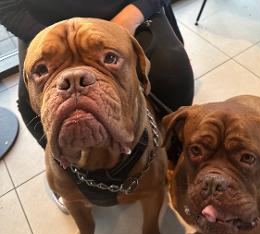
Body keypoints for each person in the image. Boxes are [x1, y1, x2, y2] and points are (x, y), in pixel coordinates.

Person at [0, 0, 194, 213]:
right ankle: (66, 165)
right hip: (41, 25)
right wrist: (52, 38)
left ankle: (174, 150)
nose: (76, 82)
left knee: (173, 72)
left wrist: (124, 23)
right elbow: (6, 6)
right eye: (41, 70)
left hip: (125, 13)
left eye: (109, 60)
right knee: (27, 108)